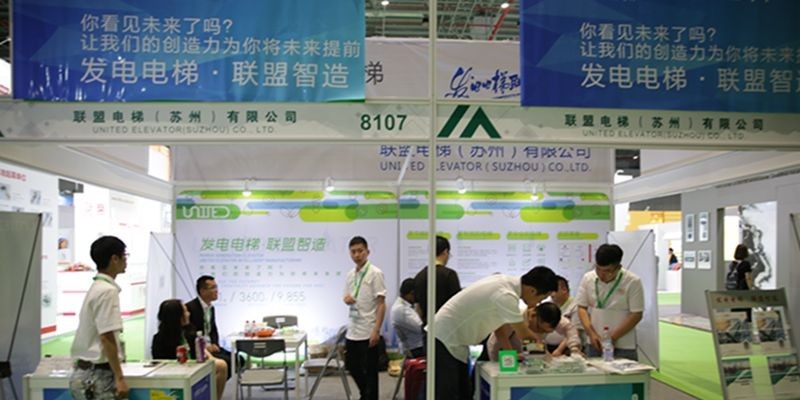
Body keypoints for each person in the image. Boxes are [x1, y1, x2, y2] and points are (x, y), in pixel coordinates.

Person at [433, 266, 558, 400]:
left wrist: (510, 354)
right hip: (446, 337)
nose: (539, 303)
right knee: (448, 393)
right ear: (533, 290)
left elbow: (500, 327)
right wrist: (547, 357)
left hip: (453, 340)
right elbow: (524, 335)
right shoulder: (506, 296)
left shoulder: (504, 283)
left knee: (463, 391)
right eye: (542, 298)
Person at [69, 236, 129, 400]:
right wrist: (120, 377)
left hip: (83, 372)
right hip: (98, 376)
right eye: (124, 255)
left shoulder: (97, 287)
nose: (126, 260)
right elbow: (106, 336)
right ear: (114, 259)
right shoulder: (107, 291)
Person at [577, 244, 644, 361]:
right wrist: (591, 333)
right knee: (594, 370)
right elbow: (581, 307)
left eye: (608, 271)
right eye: (598, 269)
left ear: (618, 267)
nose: (601, 275)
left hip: (623, 343)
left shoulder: (632, 281)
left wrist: (611, 339)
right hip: (594, 341)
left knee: (624, 371)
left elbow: (636, 314)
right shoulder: (588, 278)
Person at [152, 299, 227, 399]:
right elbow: (160, 364)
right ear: (177, 316)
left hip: (193, 367)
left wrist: (212, 359)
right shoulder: (160, 339)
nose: (188, 314)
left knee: (221, 365)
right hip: (175, 373)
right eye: (185, 312)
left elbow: (201, 350)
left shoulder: (189, 331)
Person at [342, 236, 386, 400]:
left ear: (367, 252)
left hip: (368, 330)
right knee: (351, 366)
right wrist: (346, 299)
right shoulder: (350, 275)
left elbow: (381, 304)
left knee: (371, 372)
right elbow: (346, 296)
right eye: (353, 252)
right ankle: (365, 394)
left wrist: (376, 330)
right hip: (353, 329)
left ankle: (369, 396)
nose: (357, 255)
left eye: (360, 251)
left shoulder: (375, 273)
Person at [487, 302, 581, 361]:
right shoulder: (516, 316)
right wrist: (510, 355)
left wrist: (574, 349)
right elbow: (499, 335)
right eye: (538, 328)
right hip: (500, 350)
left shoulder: (551, 318)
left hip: (526, 354)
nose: (540, 332)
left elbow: (570, 328)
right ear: (533, 315)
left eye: (545, 331)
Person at [186, 276, 233, 379]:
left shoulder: (211, 308)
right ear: (202, 291)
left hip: (211, 346)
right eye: (213, 287)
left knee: (238, 359)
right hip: (200, 350)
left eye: (216, 287)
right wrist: (204, 347)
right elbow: (190, 334)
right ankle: (213, 386)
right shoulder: (190, 308)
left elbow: (213, 329)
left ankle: (216, 385)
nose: (216, 291)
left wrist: (215, 343)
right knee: (227, 362)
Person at [413, 235, 461, 325]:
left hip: (427, 327)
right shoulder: (449, 275)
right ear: (445, 252)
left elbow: (418, 308)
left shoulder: (419, 276)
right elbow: (457, 304)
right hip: (446, 326)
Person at [544, 275, 583, 356]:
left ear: (564, 290)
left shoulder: (575, 306)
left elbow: (574, 331)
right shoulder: (548, 305)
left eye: (554, 291)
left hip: (566, 348)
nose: (551, 295)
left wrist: (559, 350)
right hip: (548, 347)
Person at [391, 278, 424, 358]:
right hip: (415, 349)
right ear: (411, 293)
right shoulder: (401, 309)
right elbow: (420, 328)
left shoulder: (405, 306)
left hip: (416, 347)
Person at [726, 244, 754, 321]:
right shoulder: (746, 264)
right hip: (743, 290)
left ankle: (735, 325)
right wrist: (751, 288)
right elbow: (748, 277)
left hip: (734, 290)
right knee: (746, 310)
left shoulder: (732, 264)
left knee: (735, 309)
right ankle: (746, 326)